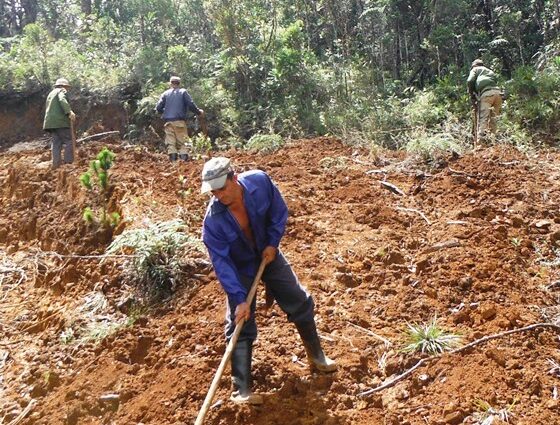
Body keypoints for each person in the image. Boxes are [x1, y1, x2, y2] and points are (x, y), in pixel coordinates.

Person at [201, 157, 337, 405]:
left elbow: (278, 210)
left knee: (298, 300)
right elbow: (222, 264)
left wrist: (273, 243)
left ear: (234, 178)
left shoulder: (259, 182)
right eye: (213, 191)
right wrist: (239, 299)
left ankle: (317, 357)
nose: (218, 195)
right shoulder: (213, 222)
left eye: (222, 188)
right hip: (240, 267)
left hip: (267, 252)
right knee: (240, 322)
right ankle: (240, 389)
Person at [155, 76, 204, 162]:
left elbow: (158, 108)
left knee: (171, 144)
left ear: (170, 83)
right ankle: (183, 164)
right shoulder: (183, 92)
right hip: (179, 122)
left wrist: (166, 111)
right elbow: (190, 104)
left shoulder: (165, 94)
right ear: (179, 84)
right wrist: (198, 112)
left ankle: (173, 163)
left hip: (168, 123)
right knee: (183, 143)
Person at [43, 78, 76, 169]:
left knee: (56, 143)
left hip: (51, 123)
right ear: (63, 86)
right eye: (67, 87)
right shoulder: (61, 91)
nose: (67, 89)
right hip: (60, 122)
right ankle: (68, 163)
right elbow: (62, 100)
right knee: (70, 141)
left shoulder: (51, 94)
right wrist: (69, 112)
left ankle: (55, 164)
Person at [467, 59, 502, 143]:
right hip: (498, 94)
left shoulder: (475, 69)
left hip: (487, 95)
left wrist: (471, 93)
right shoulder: (490, 71)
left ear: (474, 66)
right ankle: (493, 141)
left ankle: (480, 143)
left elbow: (470, 80)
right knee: (494, 119)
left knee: (483, 118)